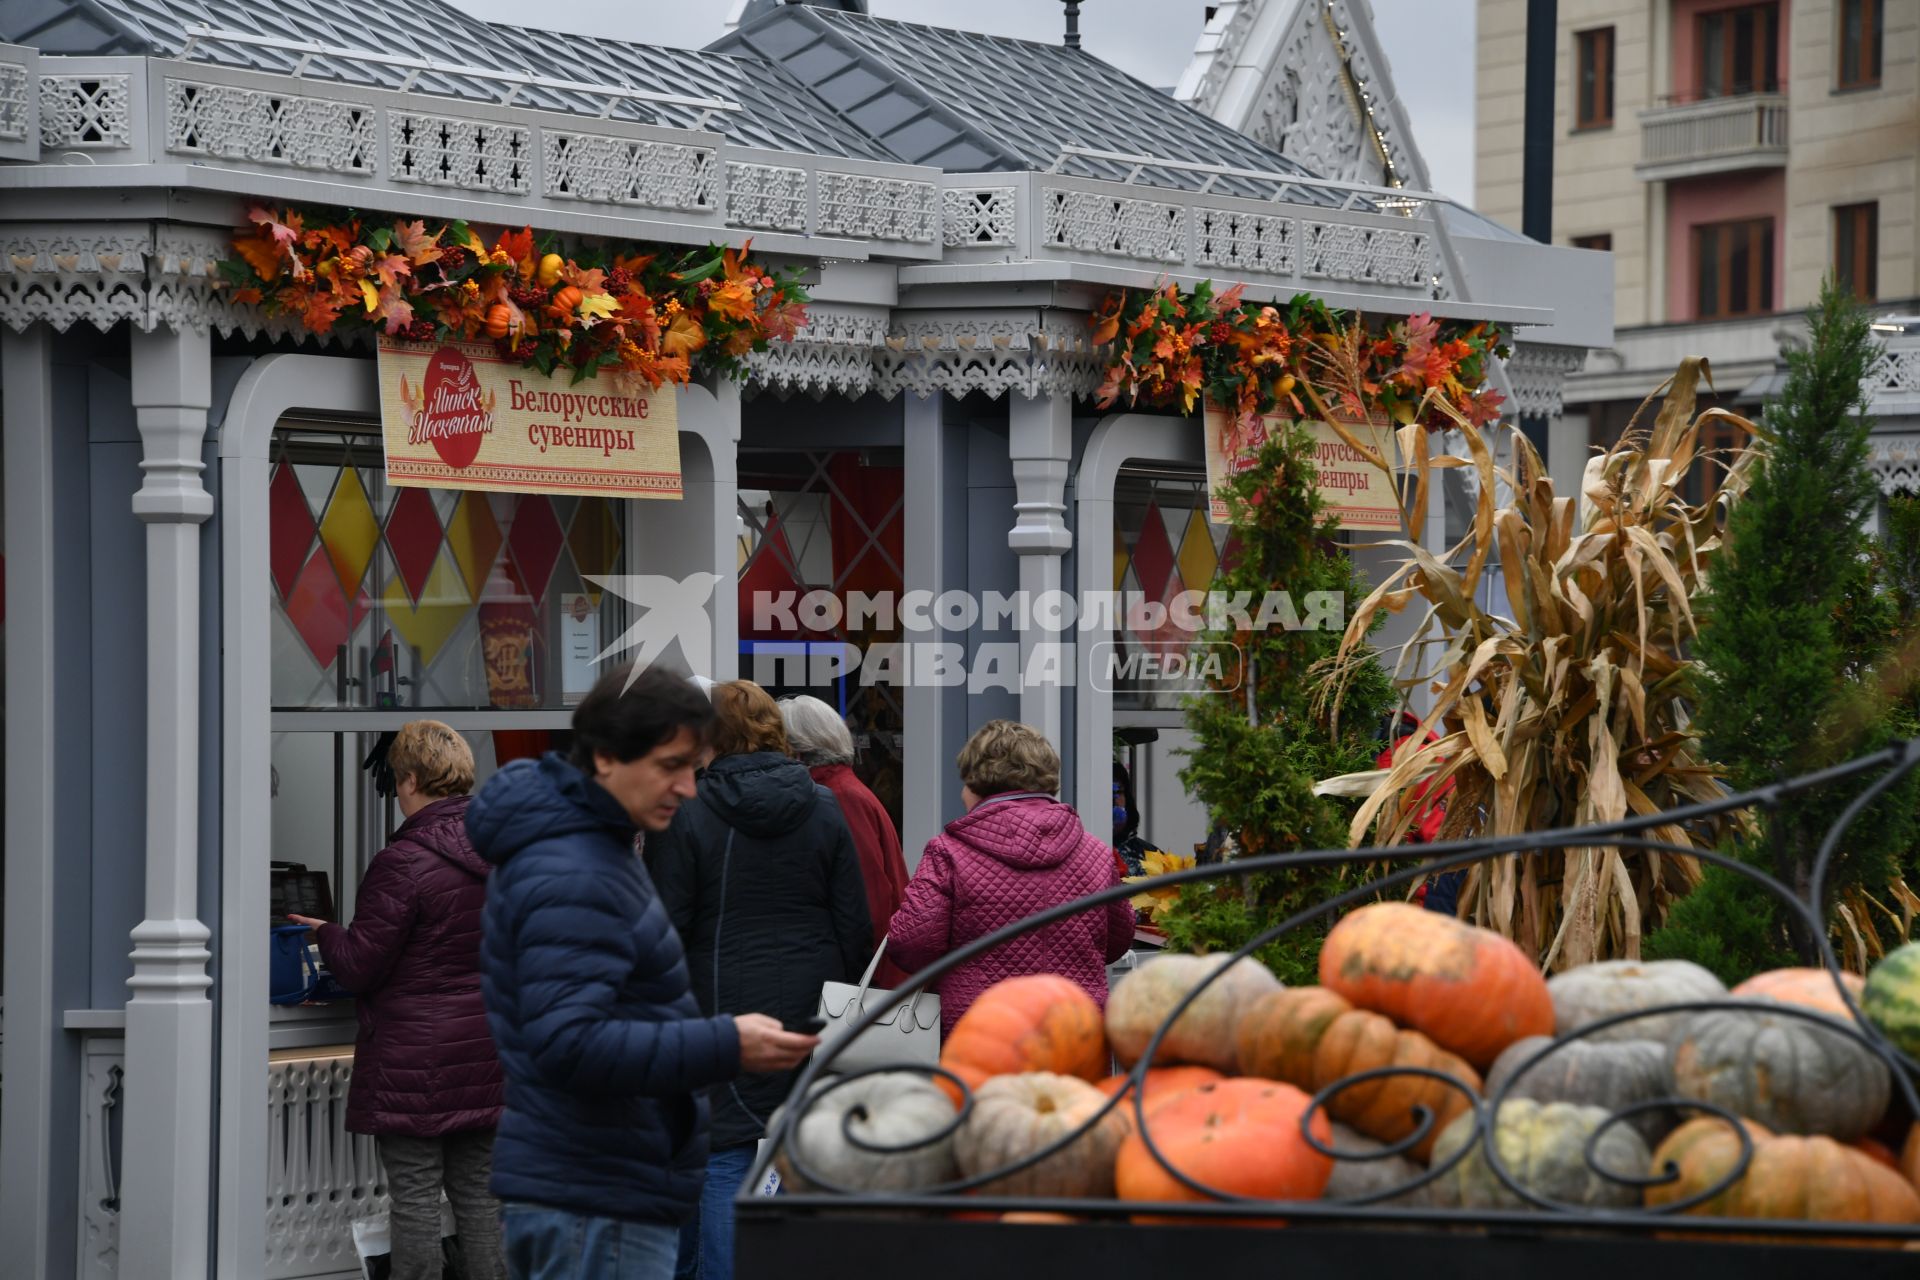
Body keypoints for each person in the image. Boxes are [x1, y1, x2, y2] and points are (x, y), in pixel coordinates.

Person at [466, 665, 819, 1280]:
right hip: (594, 1193)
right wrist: (727, 1042)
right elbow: (569, 1042)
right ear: (606, 757)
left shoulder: (592, 848)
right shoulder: (575, 868)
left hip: (598, 1185)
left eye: (694, 765)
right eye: (670, 765)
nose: (688, 787)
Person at [649, 681, 871, 1280]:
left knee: (721, 1150)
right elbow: (855, 920)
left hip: (716, 1005)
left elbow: (665, 924)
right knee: (795, 1148)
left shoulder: (685, 811)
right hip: (810, 1004)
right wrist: (843, 996)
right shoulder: (824, 807)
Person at [288, 720, 506, 1280]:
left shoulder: (403, 862)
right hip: (487, 1051)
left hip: (414, 1059)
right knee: (481, 1199)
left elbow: (361, 965)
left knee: (414, 1200)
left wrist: (325, 933)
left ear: (409, 779)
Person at [889, 720, 1136, 1035]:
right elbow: (1117, 941)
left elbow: (911, 945)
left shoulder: (948, 851)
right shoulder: (1096, 853)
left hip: (982, 1034)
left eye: (965, 783)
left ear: (979, 783)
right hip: (1076, 1031)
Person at [780, 694, 910, 983]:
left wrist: (853, 973)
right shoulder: (842, 790)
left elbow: (869, 897)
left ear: (796, 751)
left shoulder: (838, 797)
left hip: (867, 979)